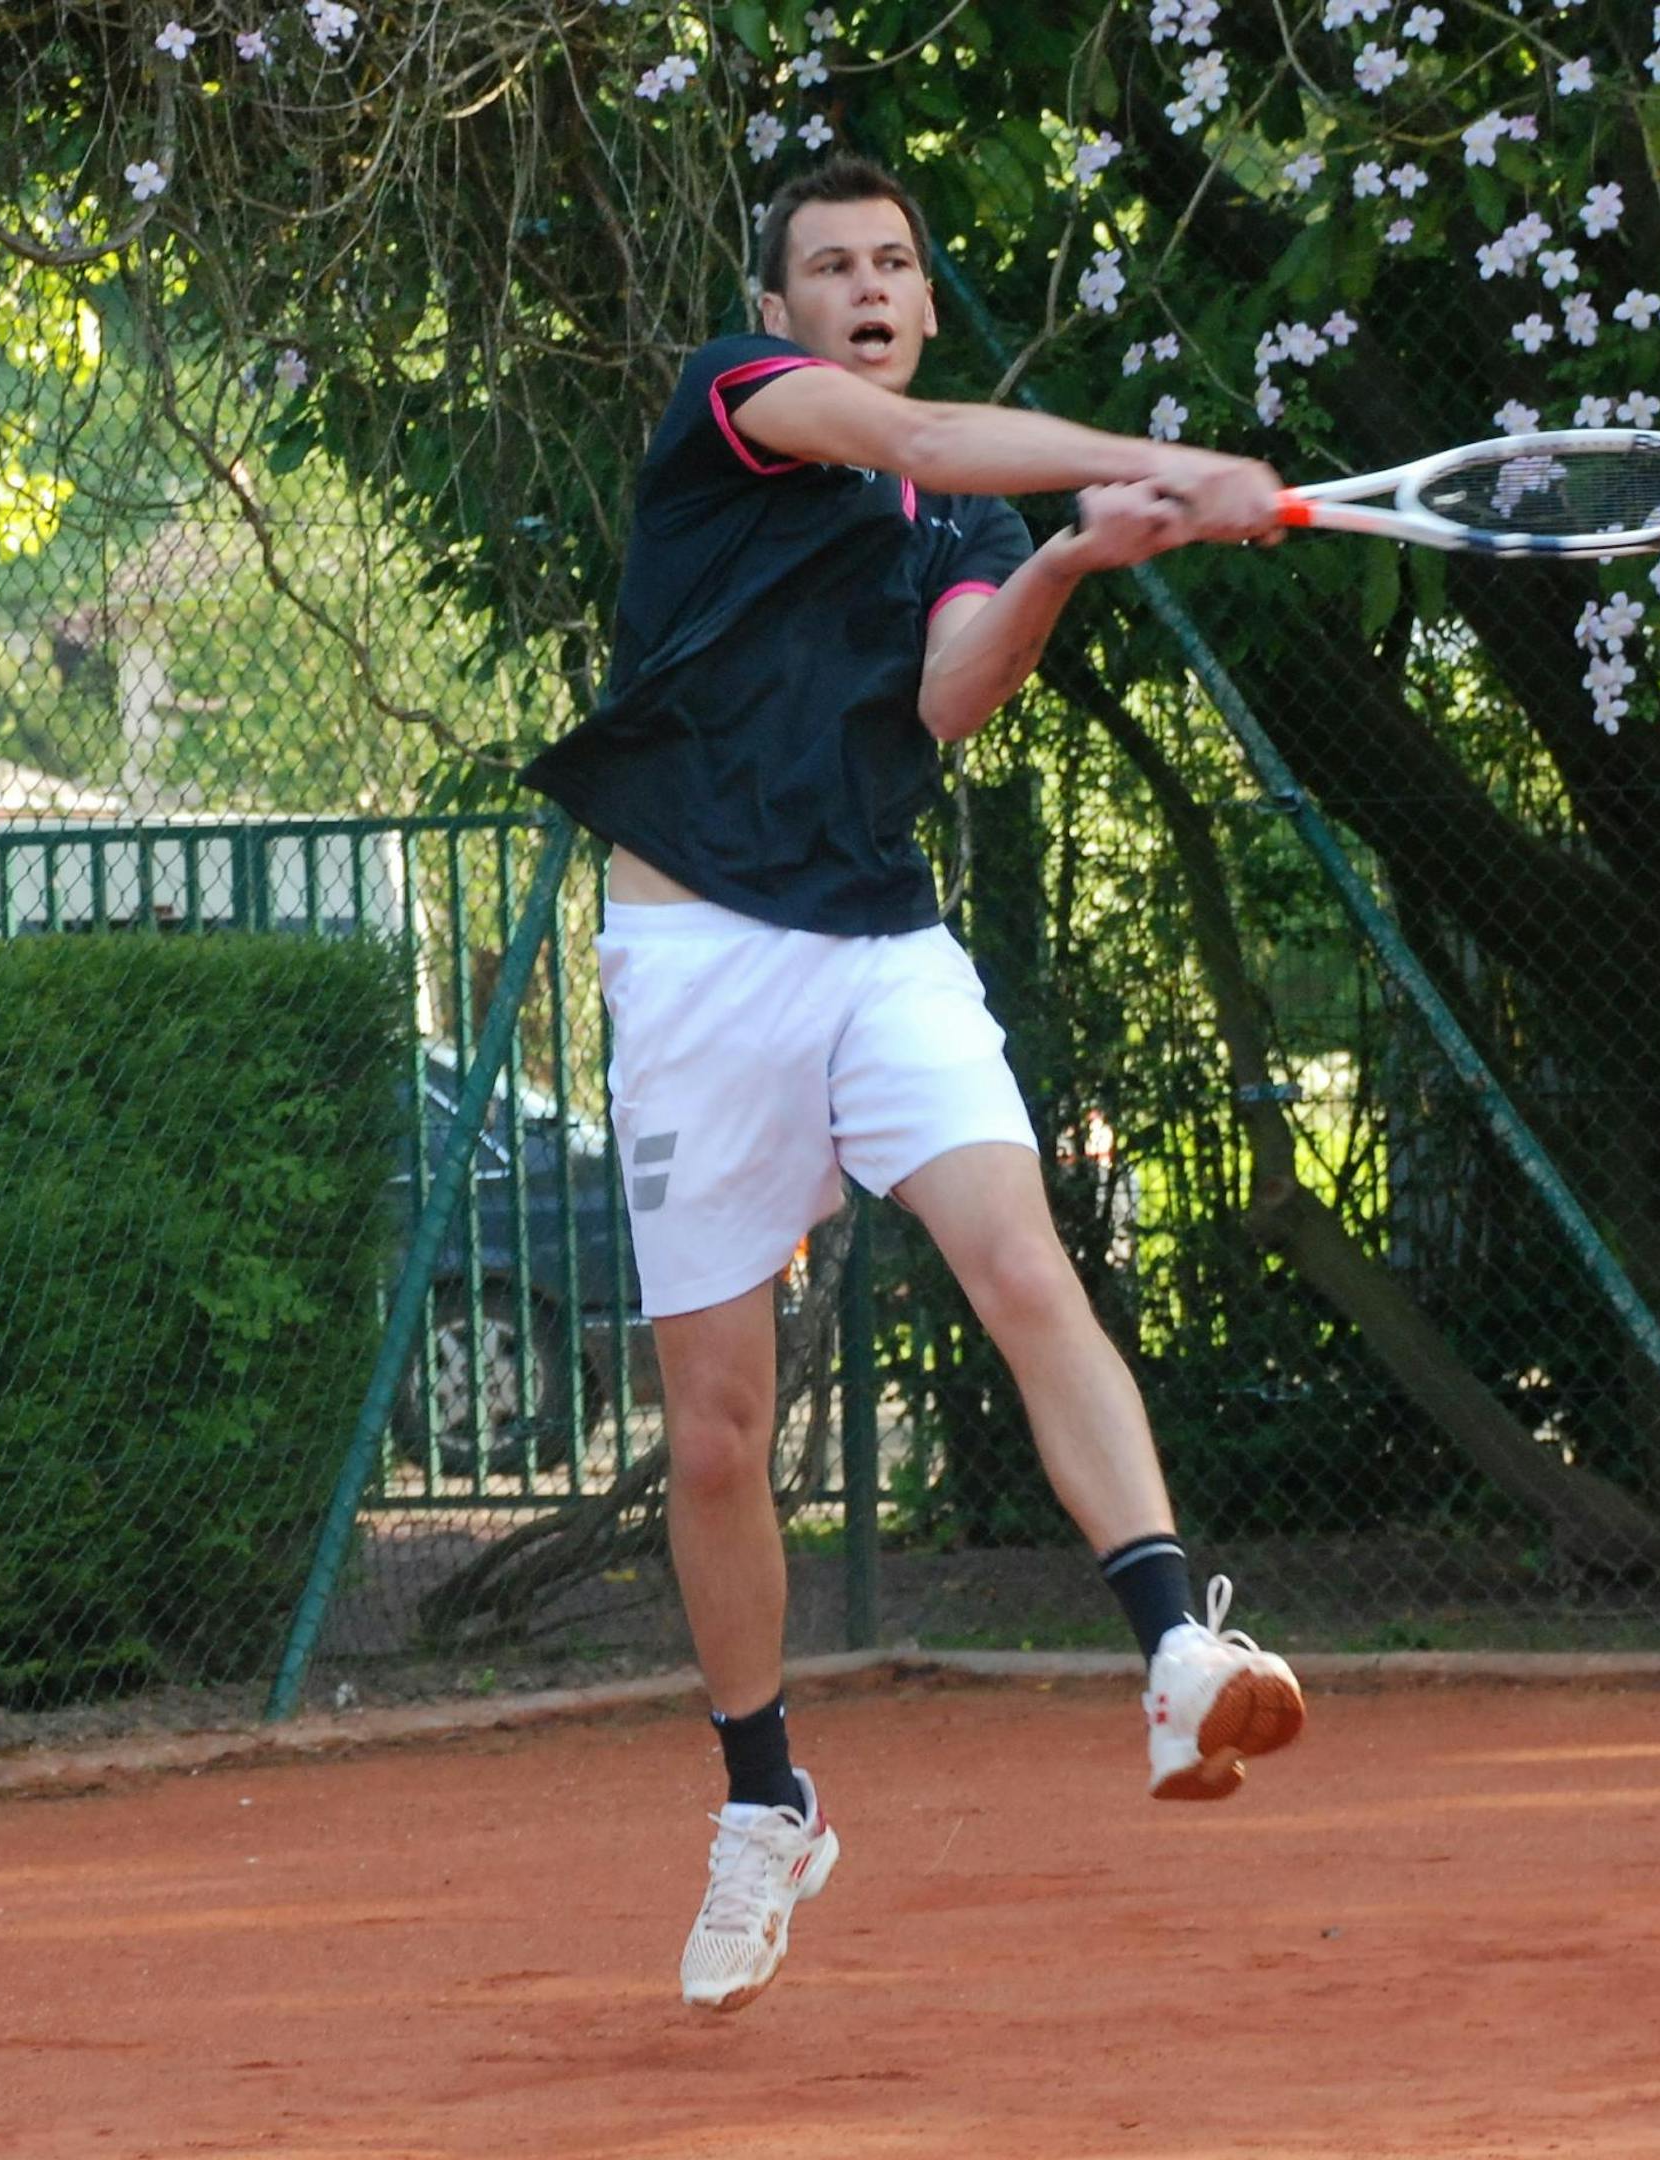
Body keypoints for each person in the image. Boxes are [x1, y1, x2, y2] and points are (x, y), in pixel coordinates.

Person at [518, 155, 1310, 2015]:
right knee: (718, 1430)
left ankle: (1178, 1646)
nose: (867, 286)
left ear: (927, 294)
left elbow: (952, 690)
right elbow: (937, 438)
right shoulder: (740, 406)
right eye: (832, 267)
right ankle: (763, 1800)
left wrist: (1067, 555)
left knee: (1021, 1263)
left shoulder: (943, 520)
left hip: (879, 945)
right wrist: (1169, 466)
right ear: (782, 311)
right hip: (696, 960)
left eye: (896, 263)